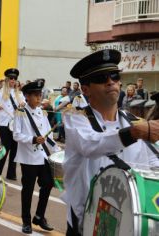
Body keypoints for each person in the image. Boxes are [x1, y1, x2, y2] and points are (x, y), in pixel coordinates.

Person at [63, 49, 159, 236]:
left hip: (127, 222)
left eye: (114, 76)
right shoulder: (75, 119)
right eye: (101, 78)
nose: (110, 82)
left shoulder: (133, 122)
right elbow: (90, 144)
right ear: (85, 89)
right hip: (86, 222)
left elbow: (152, 163)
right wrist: (134, 133)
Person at [13, 81, 58, 234]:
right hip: (28, 158)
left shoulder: (42, 112)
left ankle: (39, 216)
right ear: (27, 96)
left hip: (42, 156)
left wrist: (57, 151)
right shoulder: (20, 112)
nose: (39, 98)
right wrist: (33, 139)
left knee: (48, 183)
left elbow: (49, 135)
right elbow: (16, 135)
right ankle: (26, 220)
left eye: (40, 95)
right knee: (28, 190)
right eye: (36, 96)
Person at [0, 68, 26, 180]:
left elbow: (24, 103)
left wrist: (23, 104)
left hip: (16, 123)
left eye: (15, 79)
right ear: (7, 80)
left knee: (15, 148)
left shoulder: (19, 93)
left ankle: (11, 173)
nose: (13, 80)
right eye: (11, 78)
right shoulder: (0, 92)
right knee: (6, 147)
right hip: (4, 123)